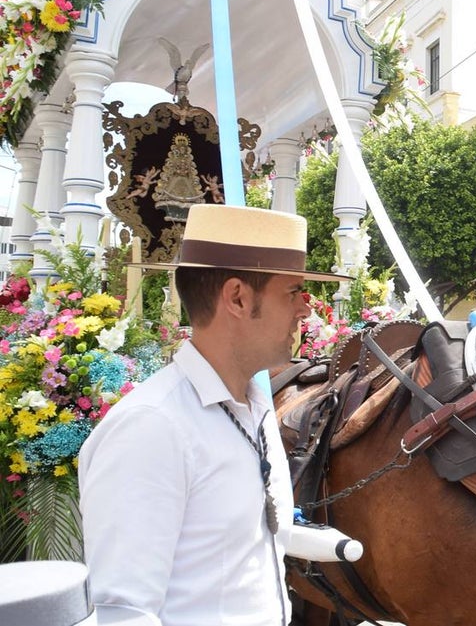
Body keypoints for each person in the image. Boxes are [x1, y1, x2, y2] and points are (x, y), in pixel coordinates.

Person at [78, 205, 347, 626]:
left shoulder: (256, 403)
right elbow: (124, 614)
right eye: (293, 292)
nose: (305, 310)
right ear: (238, 298)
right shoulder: (153, 427)